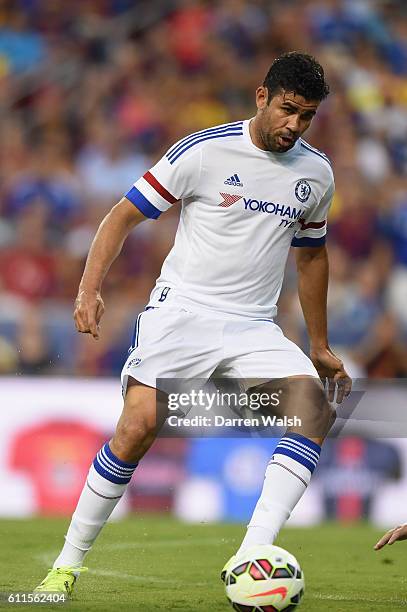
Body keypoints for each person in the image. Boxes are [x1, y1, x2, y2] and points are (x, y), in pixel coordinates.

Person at [35, 51, 351, 596]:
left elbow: (312, 255)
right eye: (288, 110)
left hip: (254, 325)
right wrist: (89, 288)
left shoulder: (316, 173)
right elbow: (122, 216)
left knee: (314, 409)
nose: (294, 125)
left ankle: (253, 552)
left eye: (307, 117)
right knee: (135, 429)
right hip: (182, 312)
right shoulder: (203, 152)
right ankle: (65, 565)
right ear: (262, 96)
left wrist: (318, 344)